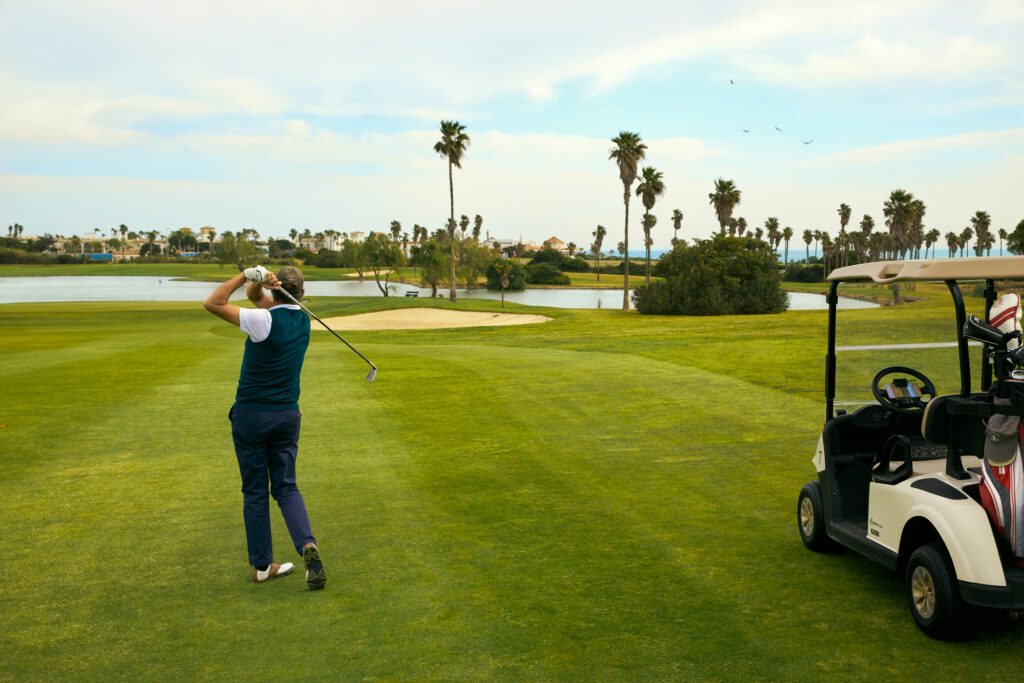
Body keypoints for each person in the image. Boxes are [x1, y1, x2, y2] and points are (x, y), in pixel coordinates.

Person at [203, 265, 326, 589]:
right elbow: (260, 301)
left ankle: (262, 566)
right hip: (287, 416)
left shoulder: (262, 321)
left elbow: (213, 303)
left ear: (277, 292)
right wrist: (260, 285)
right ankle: (307, 546)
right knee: (286, 487)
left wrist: (245, 276)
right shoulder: (302, 320)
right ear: (301, 293)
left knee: (255, 491)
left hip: (252, 417)